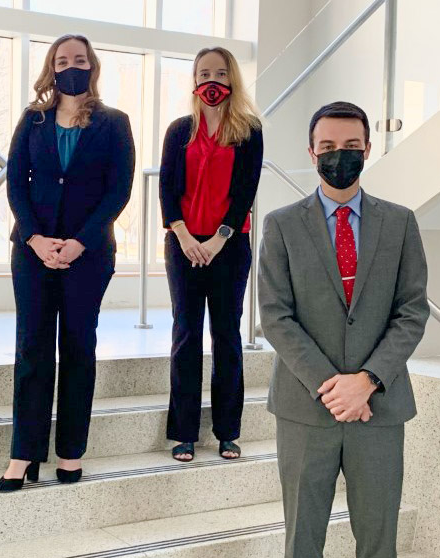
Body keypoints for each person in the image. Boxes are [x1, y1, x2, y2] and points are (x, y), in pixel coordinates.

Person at [258, 101, 429, 558]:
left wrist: (367, 381)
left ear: (368, 149)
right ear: (312, 153)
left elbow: (412, 310)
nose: (340, 155)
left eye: (351, 146)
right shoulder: (280, 225)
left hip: (379, 410)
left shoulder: (400, 222)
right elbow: (274, 314)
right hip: (305, 407)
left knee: (378, 540)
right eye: (328, 146)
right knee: (303, 540)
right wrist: (332, 386)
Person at [0, 34, 135, 492]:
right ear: (51, 68)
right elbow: (16, 182)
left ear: (91, 65)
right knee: (32, 348)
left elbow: (119, 192)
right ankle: (23, 454)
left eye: (79, 59)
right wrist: (35, 238)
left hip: (88, 255)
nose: (70, 65)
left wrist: (78, 242)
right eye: (62, 60)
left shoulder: (115, 122)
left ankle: (71, 451)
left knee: (78, 348)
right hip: (33, 252)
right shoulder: (32, 119)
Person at [159, 47, 263, 463]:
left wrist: (218, 240)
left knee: (226, 336)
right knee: (186, 335)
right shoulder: (178, 130)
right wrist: (184, 237)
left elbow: (245, 193)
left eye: (220, 73)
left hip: (230, 245)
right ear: (194, 80)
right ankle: (183, 433)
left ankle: (227, 432)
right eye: (204, 73)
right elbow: (167, 189)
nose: (212, 81)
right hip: (183, 243)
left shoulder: (249, 131)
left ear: (232, 79)